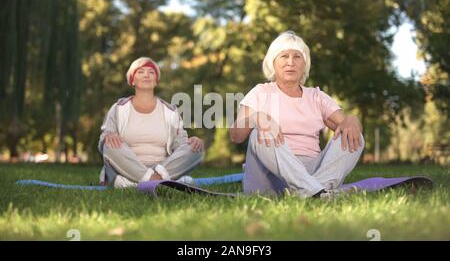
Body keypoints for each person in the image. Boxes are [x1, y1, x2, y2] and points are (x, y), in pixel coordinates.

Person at [230, 31, 364, 199]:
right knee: (259, 132)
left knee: (353, 134)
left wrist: (352, 120)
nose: (290, 62)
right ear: (273, 62)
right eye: (284, 56)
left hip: (312, 171)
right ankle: (315, 191)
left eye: (297, 57)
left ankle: (312, 192)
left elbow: (345, 126)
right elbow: (235, 135)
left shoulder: (316, 96)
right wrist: (257, 117)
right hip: (268, 178)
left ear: (304, 64)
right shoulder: (260, 92)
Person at [98, 57, 204, 188]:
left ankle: (139, 183)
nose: (146, 75)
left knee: (196, 148)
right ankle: (161, 182)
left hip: (164, 167)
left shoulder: (170, 112)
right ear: (132, 80)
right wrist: (109, 136)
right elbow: (104, 142)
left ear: (156, 81)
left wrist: (192, 142)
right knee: (109, 145)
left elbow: (180, 145)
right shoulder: (118, 108)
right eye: (141, 72)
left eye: (151, 72)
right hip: (128, 169)